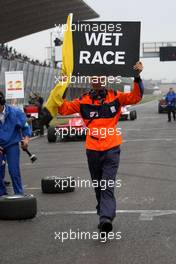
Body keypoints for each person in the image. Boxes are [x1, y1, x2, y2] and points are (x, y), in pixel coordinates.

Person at [57, 62, 144, 235]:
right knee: (98, 185)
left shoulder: (116, 97)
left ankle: (105, 218)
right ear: (90, 80)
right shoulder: (83, 100)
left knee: (106, 185)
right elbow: (62, 108)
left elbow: (136, 97)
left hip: (112, 148)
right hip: (93, 149)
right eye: (94, 77)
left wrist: (137, 76)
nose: (97, 80)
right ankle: (103, 214)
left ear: (105, 79)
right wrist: (63, 84)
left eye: (100, 77)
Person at [0, 92, 31, 196]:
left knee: (14, 171)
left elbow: (25, 127)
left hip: (11, 144)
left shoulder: (15, 112)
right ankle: (1, 194)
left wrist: (26, 139)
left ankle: (19, 194)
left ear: (2, 103)